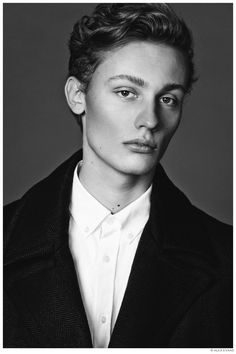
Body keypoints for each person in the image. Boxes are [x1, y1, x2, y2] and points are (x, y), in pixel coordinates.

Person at [4, 3, 232, 348]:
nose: (150, 120)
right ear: (78, 96)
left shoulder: (227, 258)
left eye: (168, 98)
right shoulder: (8, 237)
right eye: (127, 92)